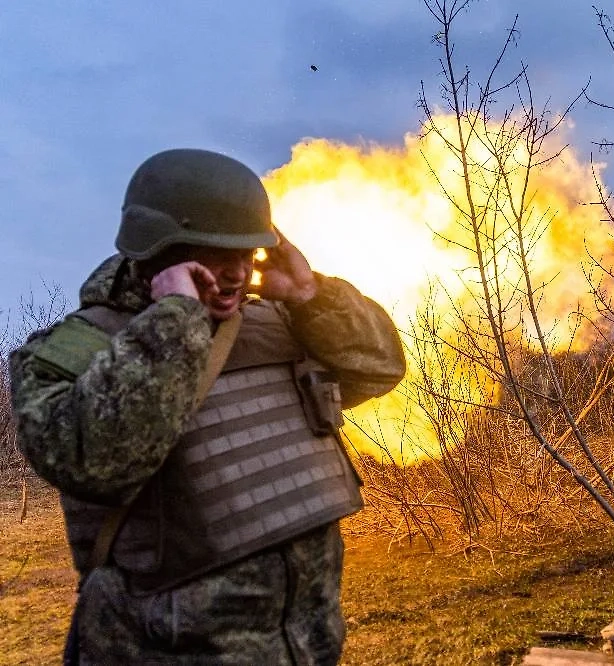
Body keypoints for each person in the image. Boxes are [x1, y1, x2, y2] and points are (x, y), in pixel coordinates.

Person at [8, 148, 407, 664]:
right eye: (217, 255)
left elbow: (378, 370)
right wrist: (176, 321)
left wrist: (311, 295)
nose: (238, 274)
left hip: (307, 645)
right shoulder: (76, 353)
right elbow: (92, 462)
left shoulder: (277, 323)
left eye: (248, 254)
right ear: (158, 249)